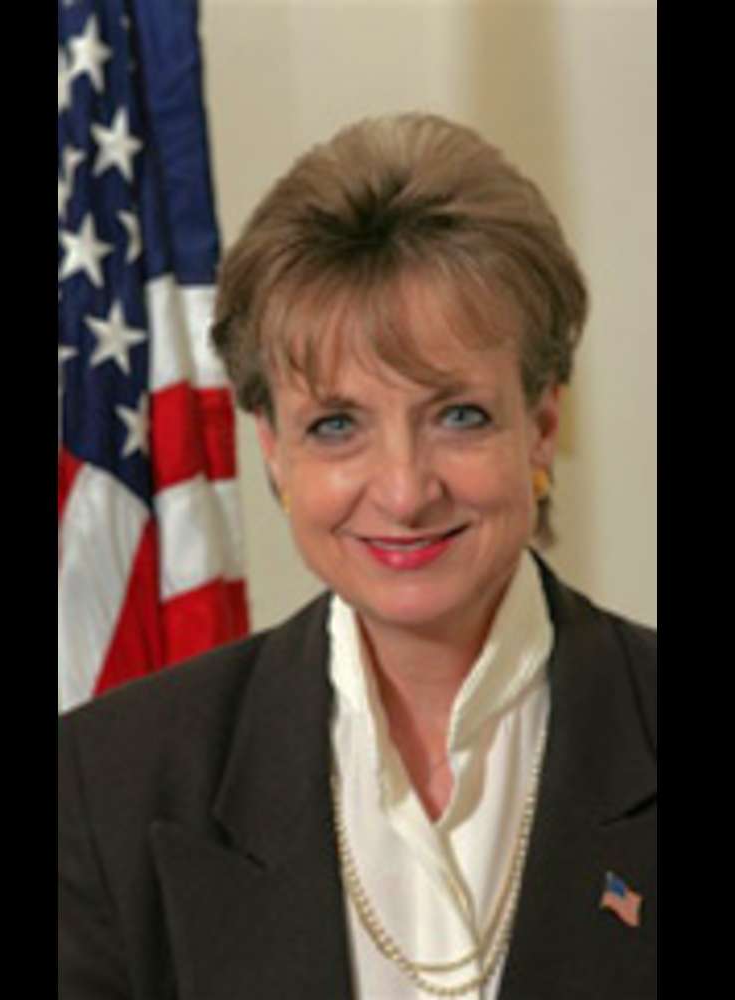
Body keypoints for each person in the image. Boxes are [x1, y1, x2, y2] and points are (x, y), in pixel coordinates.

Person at [59, 112, 657, 999]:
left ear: (540, 424)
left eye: (459, 415)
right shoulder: (109, 783)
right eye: (336, 426)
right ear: (272, 448)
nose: (406, 490)